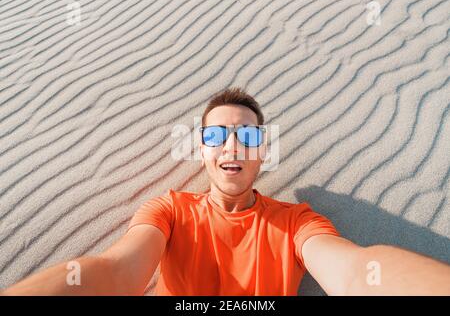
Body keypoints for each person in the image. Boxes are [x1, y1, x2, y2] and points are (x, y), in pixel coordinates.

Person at [2, 88, 450, 296]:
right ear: (202, 149)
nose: (232, 145)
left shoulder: (296, 222)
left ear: (263, 152)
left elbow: (355, 273)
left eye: (248, 137)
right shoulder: (169, 210)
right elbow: (117, 274)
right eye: (216, 136)